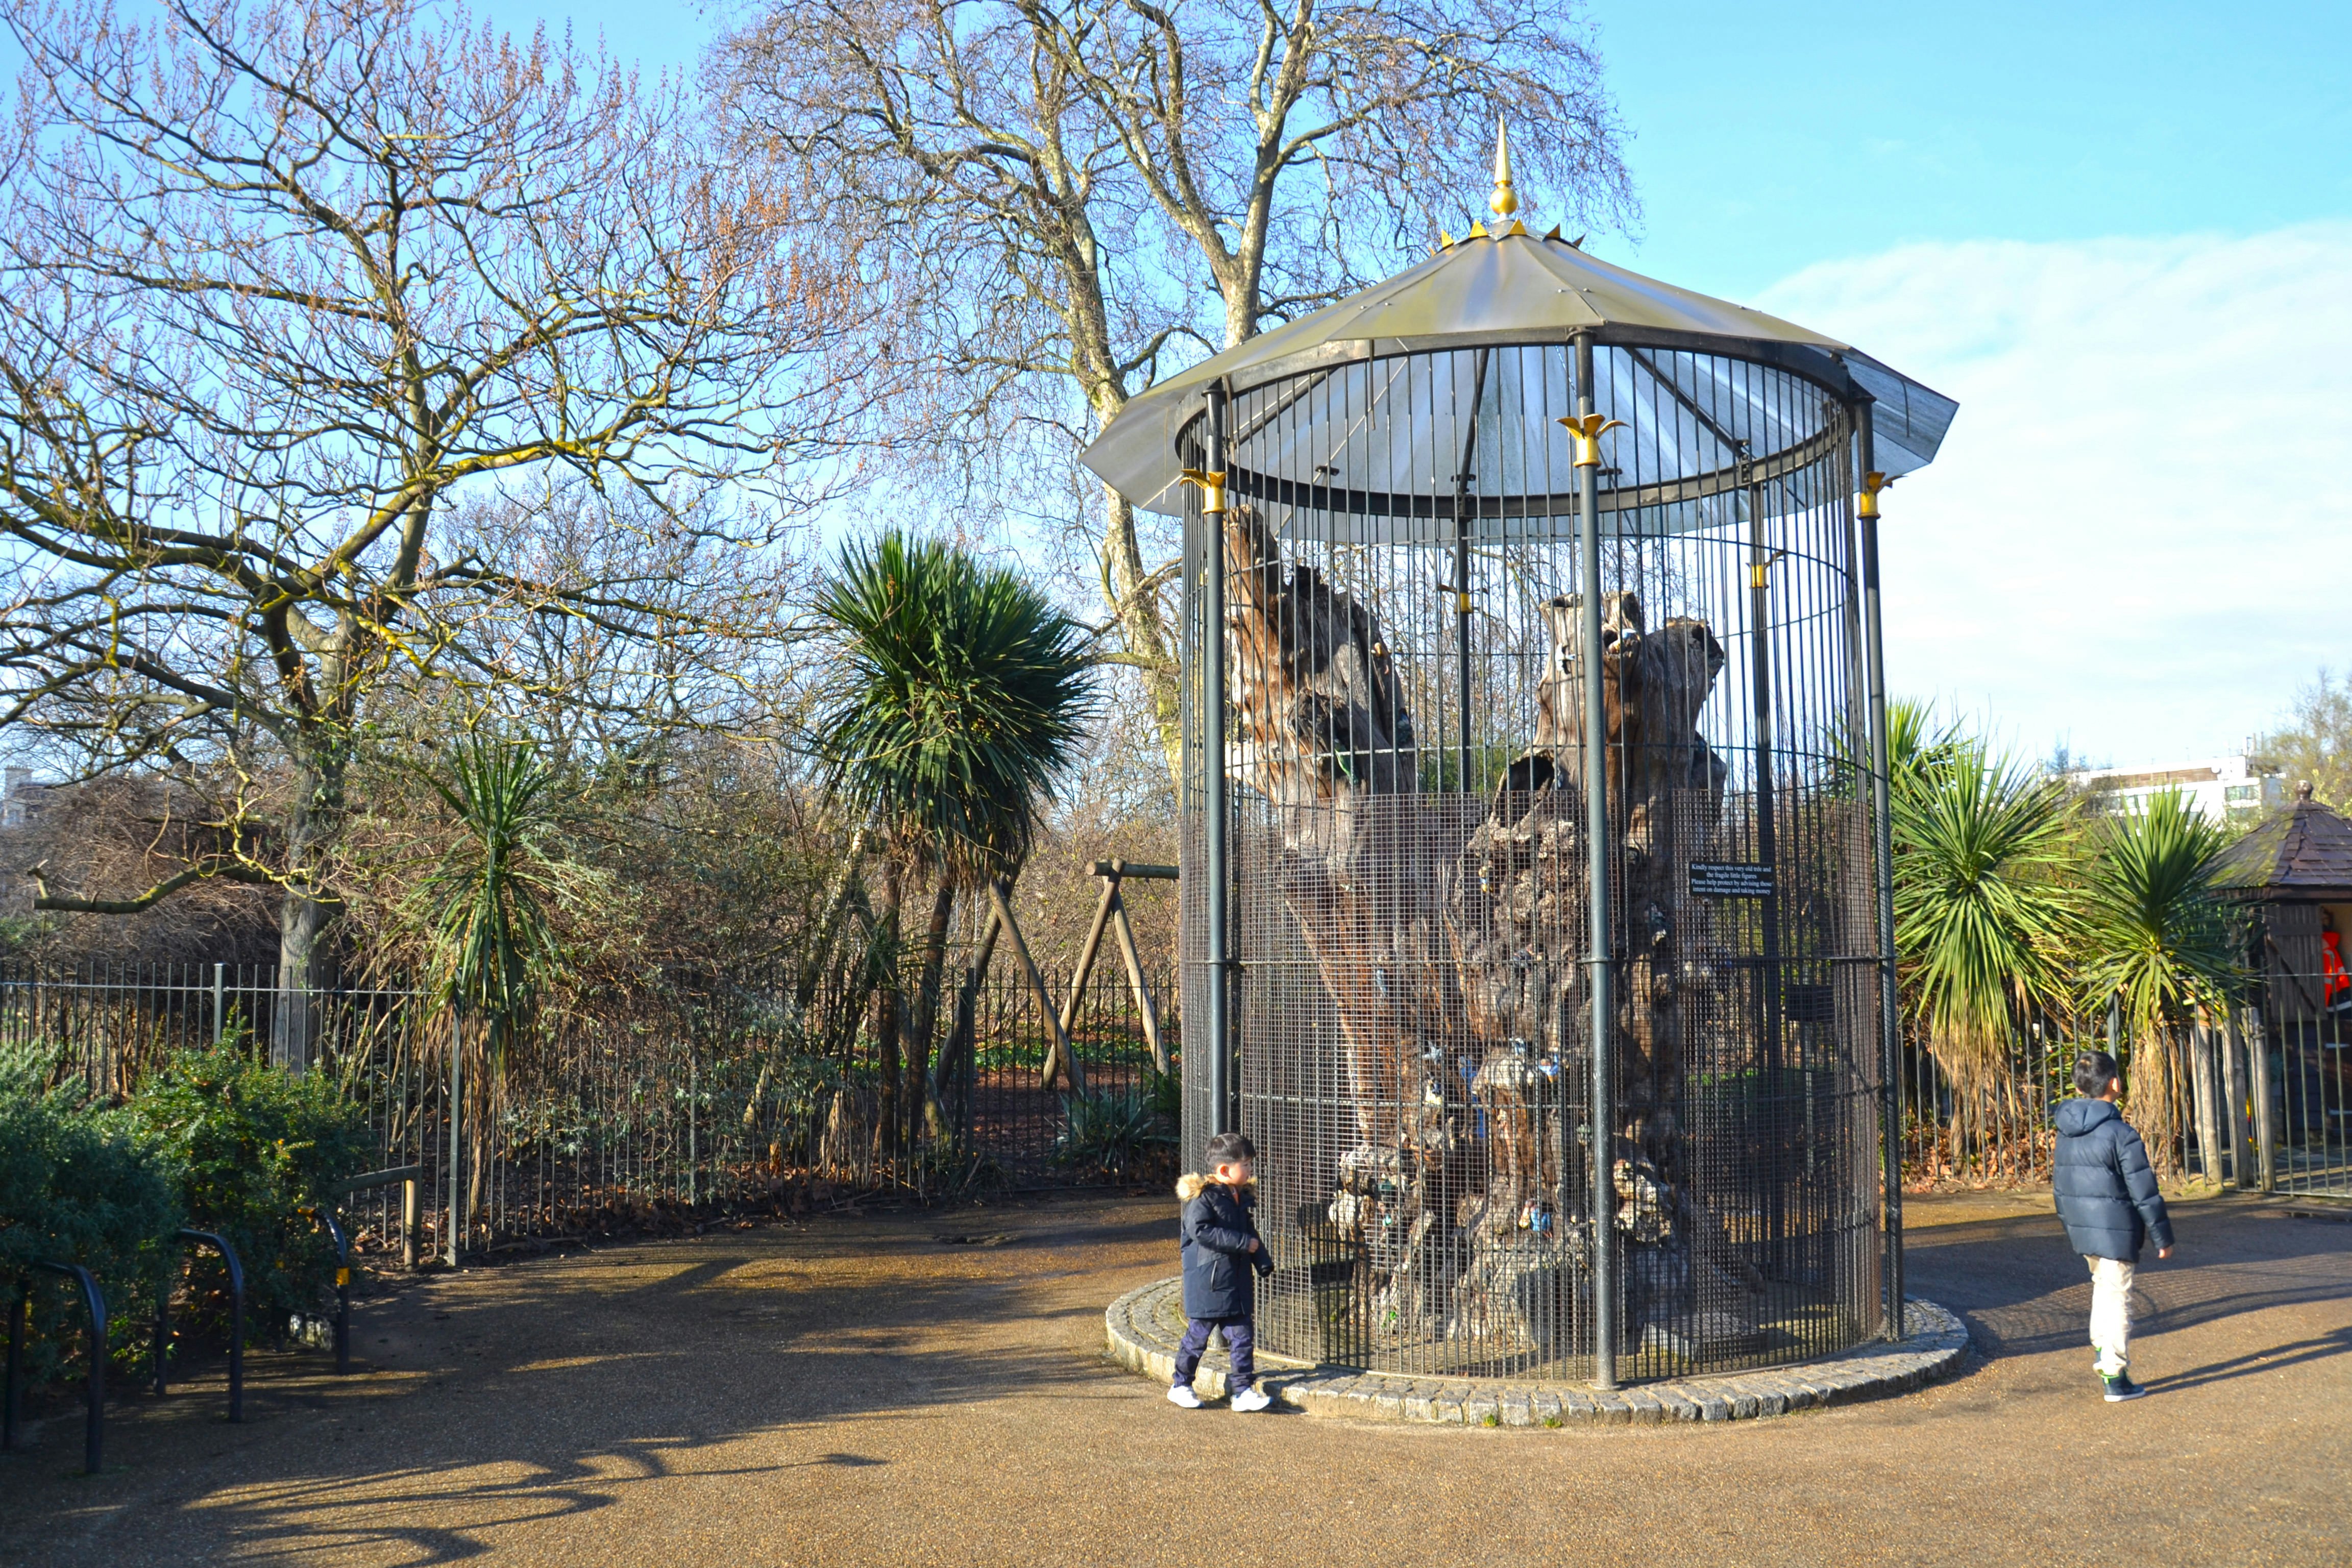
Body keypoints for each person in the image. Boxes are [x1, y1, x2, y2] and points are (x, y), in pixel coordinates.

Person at [2051, 1048, 2176, 1403]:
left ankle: (2102, 1350)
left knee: (2103, 1288)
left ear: (2080, 1087)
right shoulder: (2121, 1134)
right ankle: (2114, 1373)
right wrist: (2162, 1237)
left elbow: (2060, 1185)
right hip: (2117, 1230)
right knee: (2118, 1296)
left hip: (2084, 1228)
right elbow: (2144, 1191)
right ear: (2116, 1084)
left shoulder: (2066, 1131)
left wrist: (2070, 1223)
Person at [1168, 1131, 1276, 1412]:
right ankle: (1181, 1385)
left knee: (1242, 1338)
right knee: (1197, 1338)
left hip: (1235, 1282)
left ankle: (1242, 1391)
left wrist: (1262, 1260)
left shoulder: (1239, 1197)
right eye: (1246, 1165)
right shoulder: (1203, 1199)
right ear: (1225, 1170)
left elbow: (1249, 1234)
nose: (1251, 1170)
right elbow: (1201, 1231)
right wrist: (1243, 1244)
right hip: (1209, 1283)